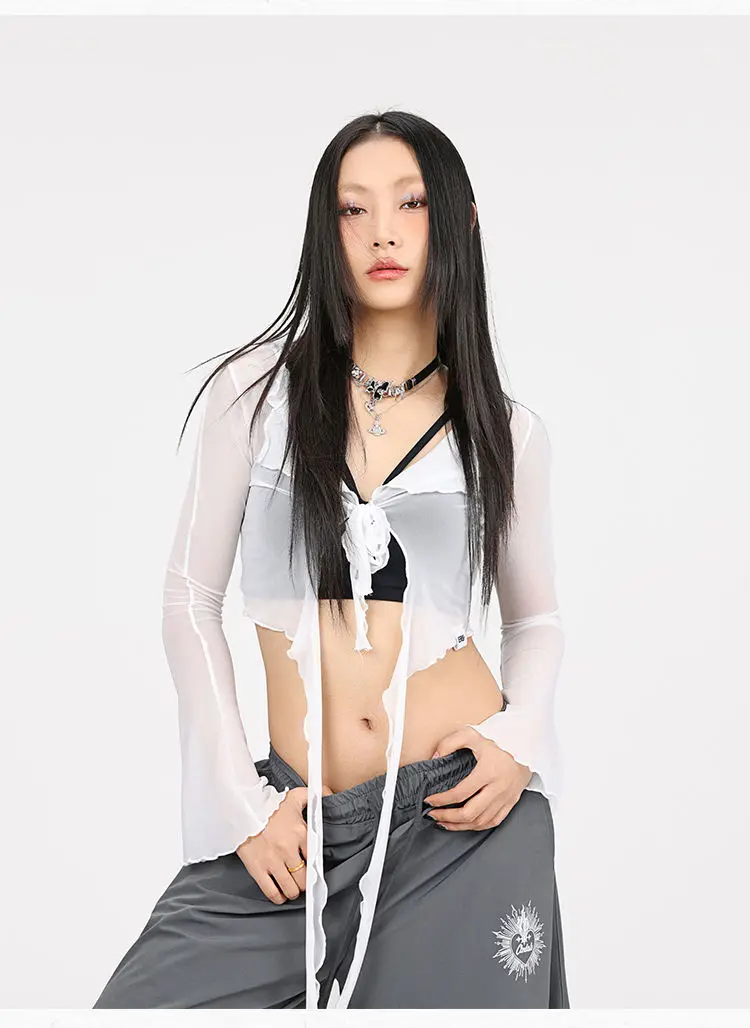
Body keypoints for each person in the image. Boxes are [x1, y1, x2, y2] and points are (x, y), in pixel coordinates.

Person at [93, 109, 569, 1010]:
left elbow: (537, 620)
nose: (383, 232)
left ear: (460, 220)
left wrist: (517, 744)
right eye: (354, 209)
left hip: (459, 818)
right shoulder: (252, 394)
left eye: (411, 202)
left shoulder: (507, 431)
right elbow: (188, 600)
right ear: (327, 228)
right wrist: (241, 807)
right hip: (294, 822)